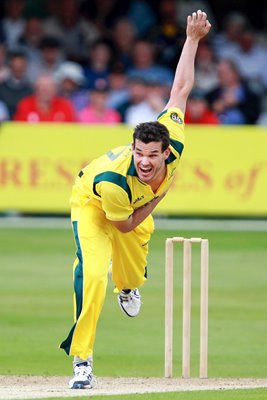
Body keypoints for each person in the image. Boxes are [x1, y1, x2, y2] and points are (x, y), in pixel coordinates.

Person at [60, 10, 211, 390]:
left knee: (131, 270)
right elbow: (122, 223)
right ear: (133, 147)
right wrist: (160, 195)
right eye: (138, 153)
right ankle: (82, 360)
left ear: (165, 152)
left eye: (151, 155)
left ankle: (127, 286)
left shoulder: (174, 137)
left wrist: (192, 39)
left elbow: (180, 88)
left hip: (133, 210)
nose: (144, 161)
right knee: (92, 275)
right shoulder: (115, 181)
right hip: (97, 206)